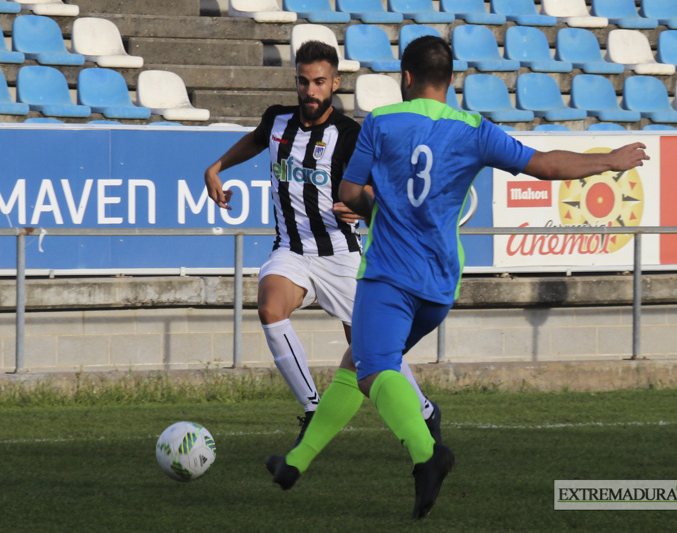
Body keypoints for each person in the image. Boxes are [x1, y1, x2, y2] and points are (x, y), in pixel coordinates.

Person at [265, 36, 650, 519]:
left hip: (389, 275)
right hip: (440, 284)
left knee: (373, 369)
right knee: (357, 360)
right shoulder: (475, 129)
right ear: (450, 81)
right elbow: (544, 165)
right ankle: (293, 464)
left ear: (405, 78)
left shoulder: (382, 122)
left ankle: (428, 452)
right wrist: (609, 161)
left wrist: (373, 208)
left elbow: (347, 190)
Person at [203, 40, 441, 446]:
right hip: (292, 250)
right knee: (269, 307)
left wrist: (363, 205)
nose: (309, 91)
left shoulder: (350, 134)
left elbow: (380, 185)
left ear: (334, 82)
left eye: (318, 82)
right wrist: (216, 167)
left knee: (371, 354)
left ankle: (423, 411)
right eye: (302, 81)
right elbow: (256, 139)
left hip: (341, 255)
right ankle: (313, 409)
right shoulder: (278, 121)